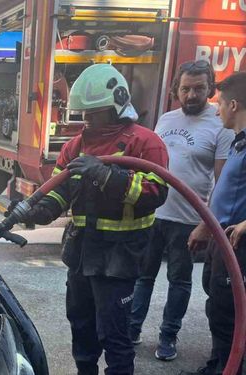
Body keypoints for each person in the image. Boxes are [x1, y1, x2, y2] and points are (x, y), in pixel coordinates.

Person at [6, 64, 169, 375]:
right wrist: (35, 210)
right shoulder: (76, 145)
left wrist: (109, 176)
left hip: (121, 256)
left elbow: (156, 193)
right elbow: (59, 191)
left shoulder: (144, 143)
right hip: (83, 253)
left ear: (117, 106)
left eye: (94, 114)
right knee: (81, 327)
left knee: (114, 335)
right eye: (83, 114)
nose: (87, 121)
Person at [128, 60, 234, 361]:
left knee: (179, 281)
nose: (191, 95)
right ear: (176, 89)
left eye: (199, 89)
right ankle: (132, 329)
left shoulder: (219, 125)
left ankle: (167, 337)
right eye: (185, 88)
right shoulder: (166, 119)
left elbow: (222, 179)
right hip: (153, 214)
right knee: (142, 277)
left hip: (188, 220)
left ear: (210, 89)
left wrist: (206, 223)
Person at [180, 72, 246, 375]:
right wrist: (206, 226)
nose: (216, 110)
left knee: (228, 315)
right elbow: (224, 192)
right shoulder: (238, 143)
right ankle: (218, 365)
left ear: (233, 104)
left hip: (238, 248)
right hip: (222, 242)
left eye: (219, 103)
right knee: (217, 308)